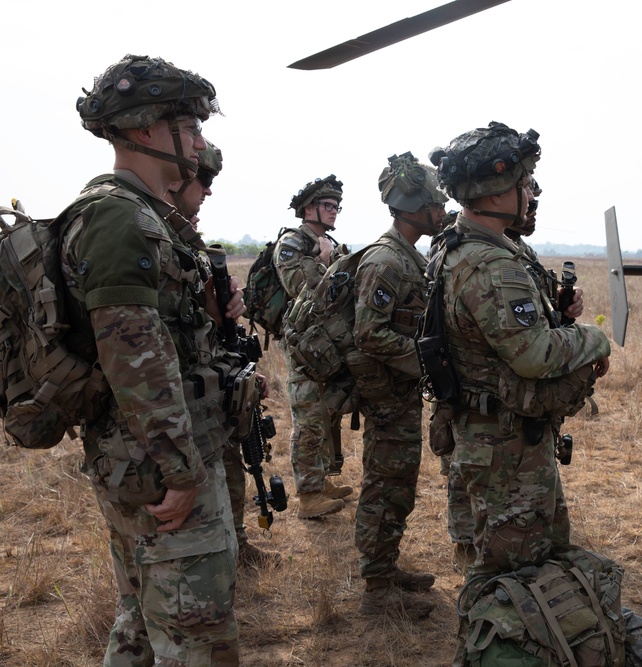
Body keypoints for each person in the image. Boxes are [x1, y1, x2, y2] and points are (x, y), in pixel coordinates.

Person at [65, 54, 241, 664]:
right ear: (144, 131)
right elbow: (131, 354)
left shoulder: (143, 216)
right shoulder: (120, 217)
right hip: (158, 466)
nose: (198, 142)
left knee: (141, 622)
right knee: (197, 641)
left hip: (145, 457)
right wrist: (181, 469)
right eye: (187, 128)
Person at [427, 122, 611, 661]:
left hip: (491, 433)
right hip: (504, 444)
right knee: (506, 570)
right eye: (526, 183)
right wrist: (592, 337)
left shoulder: (462, 247)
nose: (530, 193)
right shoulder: (490, 262)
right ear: (497, 190)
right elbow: (534, 355)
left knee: (528, 555)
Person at [165, 140, 281, 569]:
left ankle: (237, 541)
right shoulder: (150, 242)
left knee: (232, 463)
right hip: (176, 415)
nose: (208, 192)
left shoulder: (188, 251)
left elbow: (203, 334)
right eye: (203, 178)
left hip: (207, 400)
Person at [352, 152, 447, 619]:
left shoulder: (410, 257)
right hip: (387, 398)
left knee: (399, 486)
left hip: (400, 394)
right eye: (435, 202)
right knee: (385, 488)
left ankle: (386, 571)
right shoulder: (387, 261)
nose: (442, 210)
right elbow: (368, 332)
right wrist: (424, 363)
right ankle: (376, 590)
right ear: (413, 207)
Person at [277, 176, 355, 519]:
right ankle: (308, 496)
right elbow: (302, 290)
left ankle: (320, 481)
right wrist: (325, 263)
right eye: (328, 206)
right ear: (309, 208)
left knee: (325, 416)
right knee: (308, 419)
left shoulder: (327, 242)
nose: (334, 211)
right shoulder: (291, 244)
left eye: (337, 206)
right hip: (303, 346)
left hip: (326, 345)